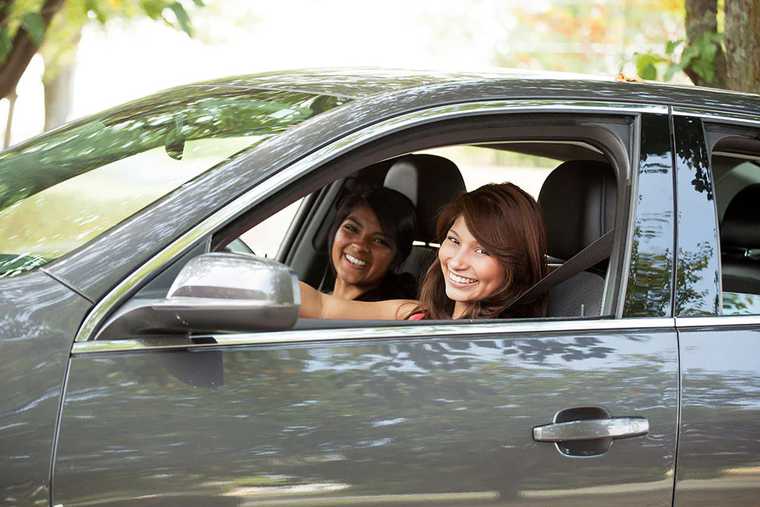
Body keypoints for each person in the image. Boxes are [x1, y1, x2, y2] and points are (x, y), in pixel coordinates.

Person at [301, 182, 548, 320]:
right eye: (454, 240)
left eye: (482, 251)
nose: (457, 262)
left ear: (515, 264)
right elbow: (322, 307)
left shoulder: (510, 340)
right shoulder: (417, 313)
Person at [327, 185, 418, 301]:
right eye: (351, 228)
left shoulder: (391, 315)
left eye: (379, 241)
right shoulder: (320, 298)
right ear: (335, 230)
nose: (360, 246)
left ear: (396, 258)